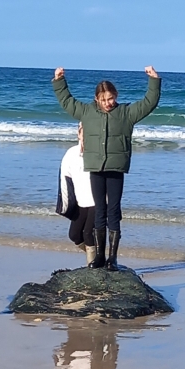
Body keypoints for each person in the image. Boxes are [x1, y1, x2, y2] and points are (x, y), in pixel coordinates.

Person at [52, 66, 161, 270]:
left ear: (115, 96)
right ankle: (100, 256)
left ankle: (113, 258)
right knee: (99, 211)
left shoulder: (126, 113)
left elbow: (149, 103)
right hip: (95, 168)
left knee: (113, 211)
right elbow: (67, 101)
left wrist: (154, 81)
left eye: (110, 99)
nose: (107, 103)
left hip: (115, 169)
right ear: (96, 99)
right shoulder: (86, 112)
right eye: (103, 100)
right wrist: (59, 81)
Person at [55, 123, 96, 265]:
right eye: (84, 133)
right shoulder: (71, 153)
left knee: (88, 234)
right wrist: (64, 205)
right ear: (79, 133)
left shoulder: (98, 153)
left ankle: (93, 268)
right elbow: (64, 179)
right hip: (81, 202)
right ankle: (98, 259)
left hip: (98, 201)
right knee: (74, 235)